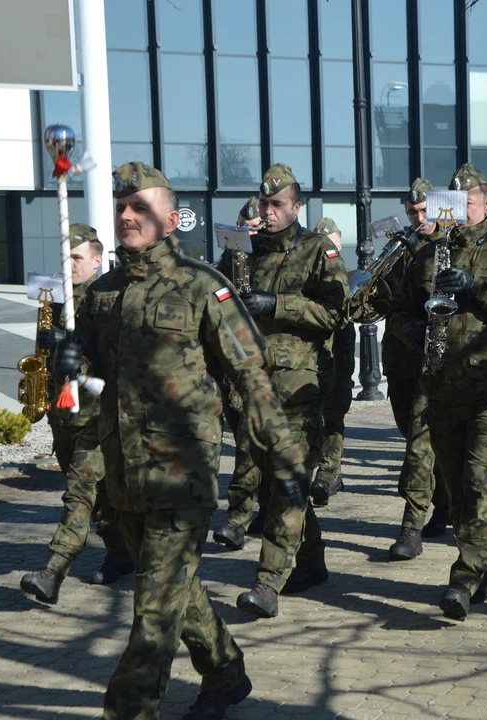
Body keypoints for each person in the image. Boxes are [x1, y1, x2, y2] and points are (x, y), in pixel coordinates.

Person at [48, 161, 308, 719]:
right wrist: (71, 365)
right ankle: (226, 674)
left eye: (140, 207)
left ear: (170, 218)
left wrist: (283, 457)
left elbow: (251, 373)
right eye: (121, 207)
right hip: (125, 476)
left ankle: (130, 709)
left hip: (181, 475)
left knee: (152, 614)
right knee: (177, 589)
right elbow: (96, 387)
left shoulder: (202, 286)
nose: (126, 216)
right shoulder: (101, 295)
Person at [388, 163, 487, 619]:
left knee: (478, 488)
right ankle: (485, 568)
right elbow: (397, 312)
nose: (451, 214)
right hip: (440, 387)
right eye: (444, 206)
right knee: (454, 493)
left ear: (486, 206)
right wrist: (416, 333)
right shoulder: (426, 255)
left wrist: (476, 288)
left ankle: (464, 578)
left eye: (463, 205)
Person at [219, 163, 348, 619]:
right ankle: (311, 561)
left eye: (277, 205)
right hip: (252, 385)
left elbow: (336, 312)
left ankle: (268, 582)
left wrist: (277, 304)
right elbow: (216, 304)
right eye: (264, 204)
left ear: (296, 206)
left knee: (290, 487)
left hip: (299, 390)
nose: (268, 212)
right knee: (278, 484)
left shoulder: (318, 252)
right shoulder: (245, 250)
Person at [19, 224, 133, 604]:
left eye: (78, 258)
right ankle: (121, 553)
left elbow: (110, 365)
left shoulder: (106, 302)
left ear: (98, 261)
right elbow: (42, 355)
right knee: (98, 496)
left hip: (95, 415)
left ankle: (54, 570)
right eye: (65, 257)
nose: (69, 265)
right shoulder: (53, 299)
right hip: (62, 413)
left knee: (77, 493)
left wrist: (73, 351)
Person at [383, 178, 452, 561]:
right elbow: (387, 307)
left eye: (425, 211)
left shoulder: (449, 248)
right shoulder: (400, 249)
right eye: (413, 213)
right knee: (416, 437)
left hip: (439, 365)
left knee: (419, 448)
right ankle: (444, 506)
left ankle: (411, 525)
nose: (419, 218)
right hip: (401, 360)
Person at [215, 197, 272, 536]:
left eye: (256, 228)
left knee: (252, 446)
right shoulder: (229, 260)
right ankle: (263, 508)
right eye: (246, 228)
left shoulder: (273, 256)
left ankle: (238, 517)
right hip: (232, 365)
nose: (251, 234)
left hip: (265, 362)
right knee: (245, 442)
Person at [312, 216, 356, 505]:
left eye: (333, 242)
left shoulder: (345, 278)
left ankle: (328, 474)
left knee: (334, 414)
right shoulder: (311, 273)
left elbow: (346, 333)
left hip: (337, 357)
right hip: (315, 358)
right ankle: (328, 472)